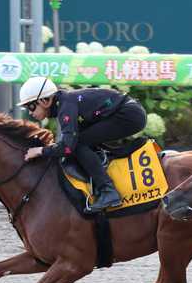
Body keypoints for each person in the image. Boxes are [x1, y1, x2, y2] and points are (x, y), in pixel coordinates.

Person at [20, 76, 147, 211]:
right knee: (77, 139)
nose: (30, 112)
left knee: (77, 144)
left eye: (31, 106)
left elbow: (68, 148)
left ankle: (108, 191)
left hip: (129, 115)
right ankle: (98, 177)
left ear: (44, 101)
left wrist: (40, 151)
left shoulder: (66, 105)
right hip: (124, 111)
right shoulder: (64, 102)